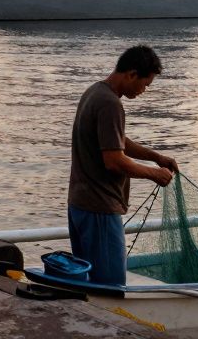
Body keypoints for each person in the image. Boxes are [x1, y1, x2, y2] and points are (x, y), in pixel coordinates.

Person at [69, 45, 177, 286]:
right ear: (131, 74)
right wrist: (154, 174)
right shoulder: (111, 104)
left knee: (88, 283)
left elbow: (116, 142)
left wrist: (155, 157)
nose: (143, 91)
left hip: (79, 206)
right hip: (100, 208)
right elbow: (114, 161)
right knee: (111, 286)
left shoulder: (94, 92)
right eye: (145, 84)